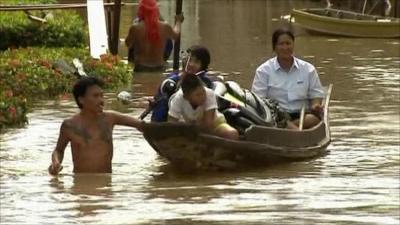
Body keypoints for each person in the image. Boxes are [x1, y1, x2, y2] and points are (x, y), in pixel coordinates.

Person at [48, 77, 144, 175]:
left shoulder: (110, 118)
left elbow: (141, 125)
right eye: (96, 96)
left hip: (106, 185)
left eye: (102, 96)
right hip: (81, 184)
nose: (101, 100)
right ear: (81, 100)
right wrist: (56, 162)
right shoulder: (69, 125)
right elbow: (58, 150)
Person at [251, 28, 325, 129]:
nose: (285, 47)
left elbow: (316, 95)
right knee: (269, 121)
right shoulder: (263, 71)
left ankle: (286, 129)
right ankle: (291, 129)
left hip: (302, 115)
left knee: (313, 119)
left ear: (293, 45)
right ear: (274, 47)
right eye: (281, 44)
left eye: (288, 43)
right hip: (276, 116)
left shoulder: (308, 69)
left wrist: (315, 105)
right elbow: (258, 101)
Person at [151, 45, 213, 122]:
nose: (191, 64)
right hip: (172, 118)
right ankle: (158, 127)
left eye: (196, 62)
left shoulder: (206, 83)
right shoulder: (173, 80)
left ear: (203, 66)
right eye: (189, 60)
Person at [168, 74, 239, 140]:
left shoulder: (209, 94)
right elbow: (171, 123)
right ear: (187, 97)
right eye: (198, 95)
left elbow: (208, 125)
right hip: (190, 127)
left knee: (232, 134)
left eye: (203, 92)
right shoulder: (178, 99)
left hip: (214, 124)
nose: (203, 96)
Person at [125, 0, 184, 72]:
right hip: (159, 67)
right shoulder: (165, 26)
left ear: (140, 11)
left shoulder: (135, 28)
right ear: (156, 11)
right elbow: (176, 35)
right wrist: (178, 21)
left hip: (140, 68)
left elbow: (128, 43)